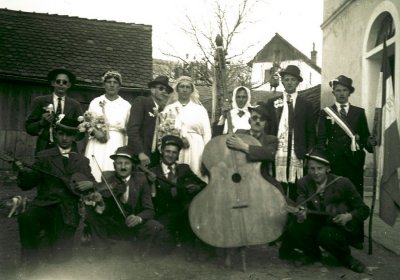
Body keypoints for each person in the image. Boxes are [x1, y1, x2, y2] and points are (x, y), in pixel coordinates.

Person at [15, 116, 95, 270]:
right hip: (44, 204)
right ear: (56, 134)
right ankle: (28, 262)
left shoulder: (82, 161)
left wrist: (91, 184)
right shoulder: (45, 155)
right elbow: (28, 184)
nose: (64, 138)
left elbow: (92, 184)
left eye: (69, 135)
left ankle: (46, 239)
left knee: (59, 258)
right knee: (26, 217)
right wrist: (22, 171)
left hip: (68, 210)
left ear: (74, 137)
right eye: (61, 134)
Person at [279, 150, 369, 273]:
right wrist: (301, 214)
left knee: (326, 235)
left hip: (338, 226)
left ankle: (347, 258)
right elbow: (301, 203)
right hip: (316, 223)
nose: (315, 173)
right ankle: (313, 254)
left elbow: (364, 210)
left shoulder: (343, 183)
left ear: (328, 168)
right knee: (295, 227)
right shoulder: (303, 183)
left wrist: (348, 216)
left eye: (319, 168)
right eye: (312, 169)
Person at [84, 146, 163, 257]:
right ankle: (101, 249)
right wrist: (101, 202)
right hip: (115, 224)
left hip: (134, 224)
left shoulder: (141, 179)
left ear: (132, 166)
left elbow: (149, 210)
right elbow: (105, 211)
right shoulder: (108, 180)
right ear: (114, 166)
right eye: (119, 163)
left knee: (154, 225)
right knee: (92, 216)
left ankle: (138, 250)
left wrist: (138, 218)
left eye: (127, 163)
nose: (123, 167)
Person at [316, 75, 375, 196]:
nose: (341, 93)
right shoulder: (325, 113)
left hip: (354, 160)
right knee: (335, 193)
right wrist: (324, 161)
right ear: (333, 93)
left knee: (355, 194)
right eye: (338, 90)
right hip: (334, 160)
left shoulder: (359, 112)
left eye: (344, 90)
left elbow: (364, 135)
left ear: (349, 92)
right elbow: (321, 139)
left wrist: (369, 141)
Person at [265, 65, 316, 200]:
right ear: (282, 82)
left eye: (293, 80)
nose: (289, 83)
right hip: (278, 152)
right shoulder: (273, 102)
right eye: (286, 79)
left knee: (296, 187)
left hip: (297, 152)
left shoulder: (306, 105)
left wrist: (308, 153)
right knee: (278, 188)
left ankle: (294, 218)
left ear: (298, 82)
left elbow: (310, 131)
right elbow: (268, 128)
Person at [149, 135, 206, 250]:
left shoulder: (184, 168)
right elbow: (150, 199)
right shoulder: (153, 171)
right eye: (168, 151)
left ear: (178, 154)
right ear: (162, 151)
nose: (170, 155)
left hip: (185, 212)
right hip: (164, 213)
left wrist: (196, 187)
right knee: (163, 246)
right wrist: (151, 184)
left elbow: (203, 185)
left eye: (174, 152)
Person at [161, 76, 211, 180]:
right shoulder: (169, 109)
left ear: (192, 90)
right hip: (176, 147)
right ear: (177, 89)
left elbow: (207, 133)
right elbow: (163, 132)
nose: (184, 90)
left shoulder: (200, 110)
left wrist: (206, 155)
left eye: (187, 87)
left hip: (196, 147)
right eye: (182, 87)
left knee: (196, 174)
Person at [84, 70, 131, 182]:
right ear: (104, 84)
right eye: (109, 82)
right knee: (95, 167)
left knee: (113, 167)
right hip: (98, 141)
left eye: (115, 82)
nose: (111, 85)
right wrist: (95, 132)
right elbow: (88, 123)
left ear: (119, 86)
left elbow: (129, 128)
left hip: (117, 140)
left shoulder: (126, 105)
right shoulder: (95, 102)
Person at [26, 68, 83, 154]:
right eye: (58, 81)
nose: (61, 84)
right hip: (45, 147)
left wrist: (69, 138)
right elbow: (29, 128)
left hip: (67, 150)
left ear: (69, 85)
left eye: (64, 82)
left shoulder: (75, 105)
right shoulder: (40, 101)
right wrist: (42, 122)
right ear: (53, 83)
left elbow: (81, 131)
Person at [225, 102, 279, 185]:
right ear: (249, 120)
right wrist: (223, 119)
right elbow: (221, 143)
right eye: (254, 118)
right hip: (240, 179)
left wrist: (243, 146)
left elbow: (269, 154)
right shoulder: (240, 133)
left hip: (262, 182)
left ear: (265, 123)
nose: (258, 121)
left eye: (262, 119)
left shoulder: (271, 139)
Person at [127, 76, 174, 167]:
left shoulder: (163, 111)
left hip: (155, 158)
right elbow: (132, 129)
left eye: (166, 90)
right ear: (152, 90)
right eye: (161, 88)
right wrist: (140, 153)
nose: (164, 92)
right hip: (140, 156)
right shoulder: (142, 102)